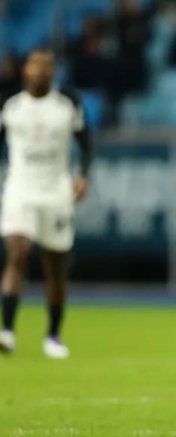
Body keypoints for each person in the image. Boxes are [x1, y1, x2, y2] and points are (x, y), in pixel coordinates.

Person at [0, 48, 93, 359]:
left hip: (56, 191)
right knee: (18, 252)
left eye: (46, 66)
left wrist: (83, 175)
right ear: (25, 70)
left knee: (55, 266)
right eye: (35, 65)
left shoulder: (68, 104)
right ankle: (8, 331)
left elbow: (86, 140)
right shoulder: (9, 105)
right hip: (20, 189)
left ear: (53, 72)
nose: (40, 71)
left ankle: (53, 335)